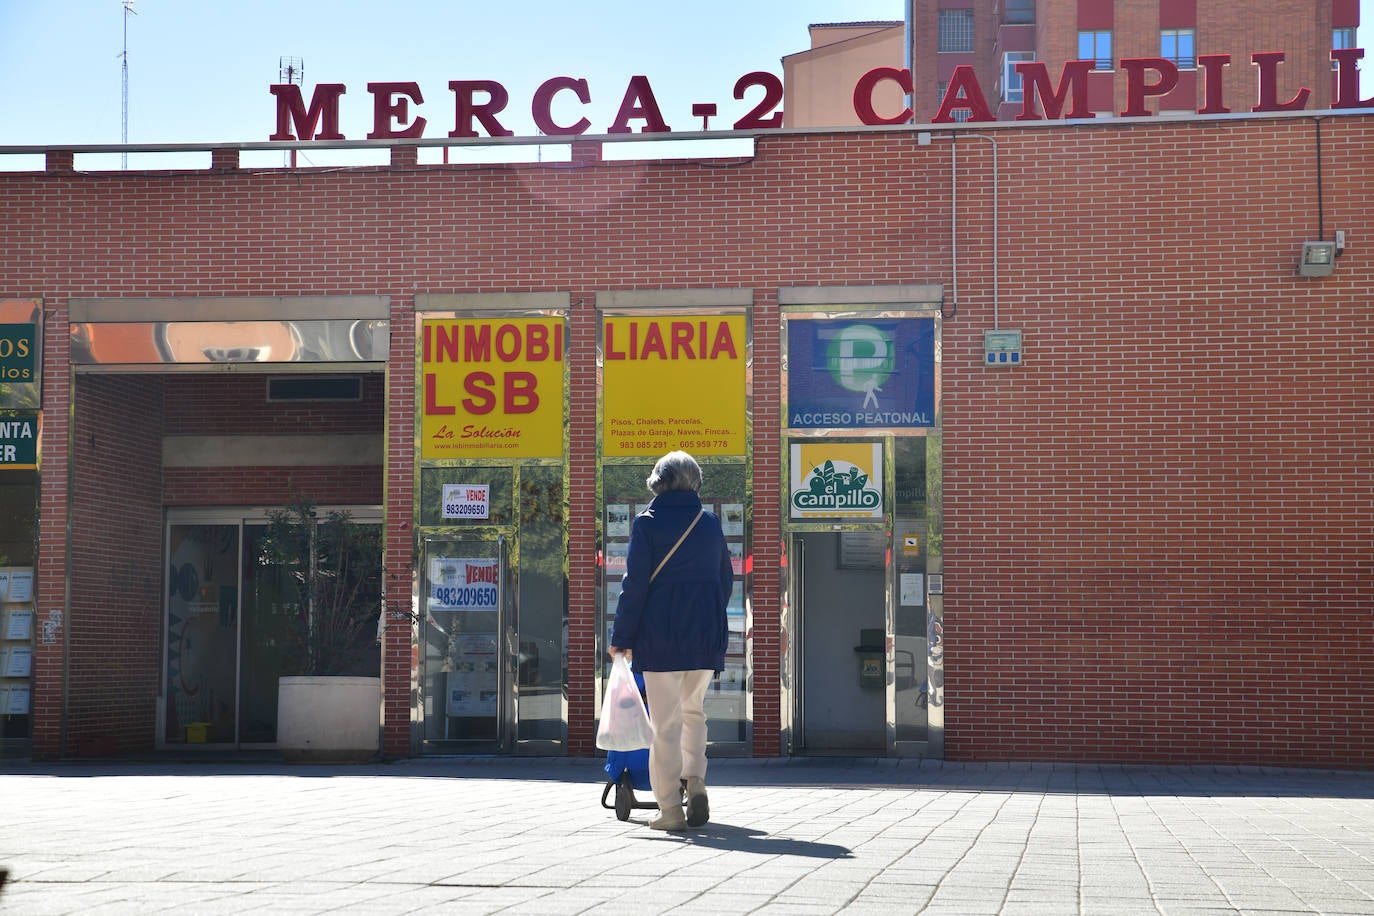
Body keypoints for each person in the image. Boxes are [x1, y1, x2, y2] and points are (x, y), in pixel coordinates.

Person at [608, 450, 733, 831]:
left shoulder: (647, 524)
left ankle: (670, 810)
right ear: (694, 481)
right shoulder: (709, 523)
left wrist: (622, 637)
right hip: (705, 636)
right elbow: (725, 580)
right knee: (694, 712)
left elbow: (635, 587)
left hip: (660, 638)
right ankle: (695, 781)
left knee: (665, 724)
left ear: (658, 482)